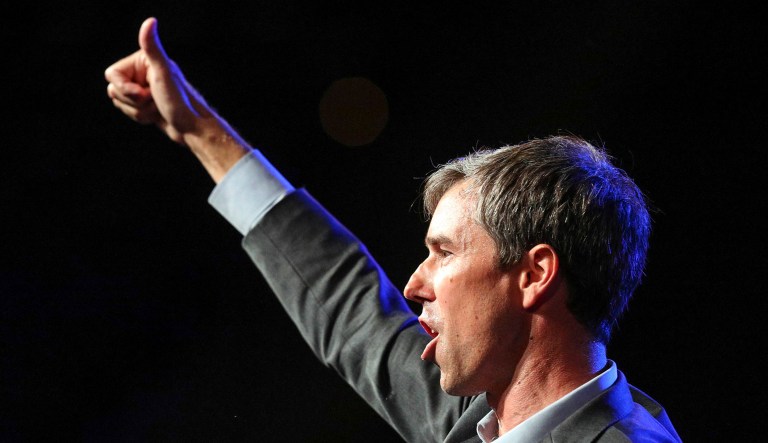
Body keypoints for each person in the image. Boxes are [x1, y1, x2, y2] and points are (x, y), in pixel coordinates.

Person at [105, 17, 681, 443]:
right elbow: (349, 310)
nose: (412, 285)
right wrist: (200, 130)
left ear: (533, 274)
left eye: (444, 253)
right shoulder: (475, 417)